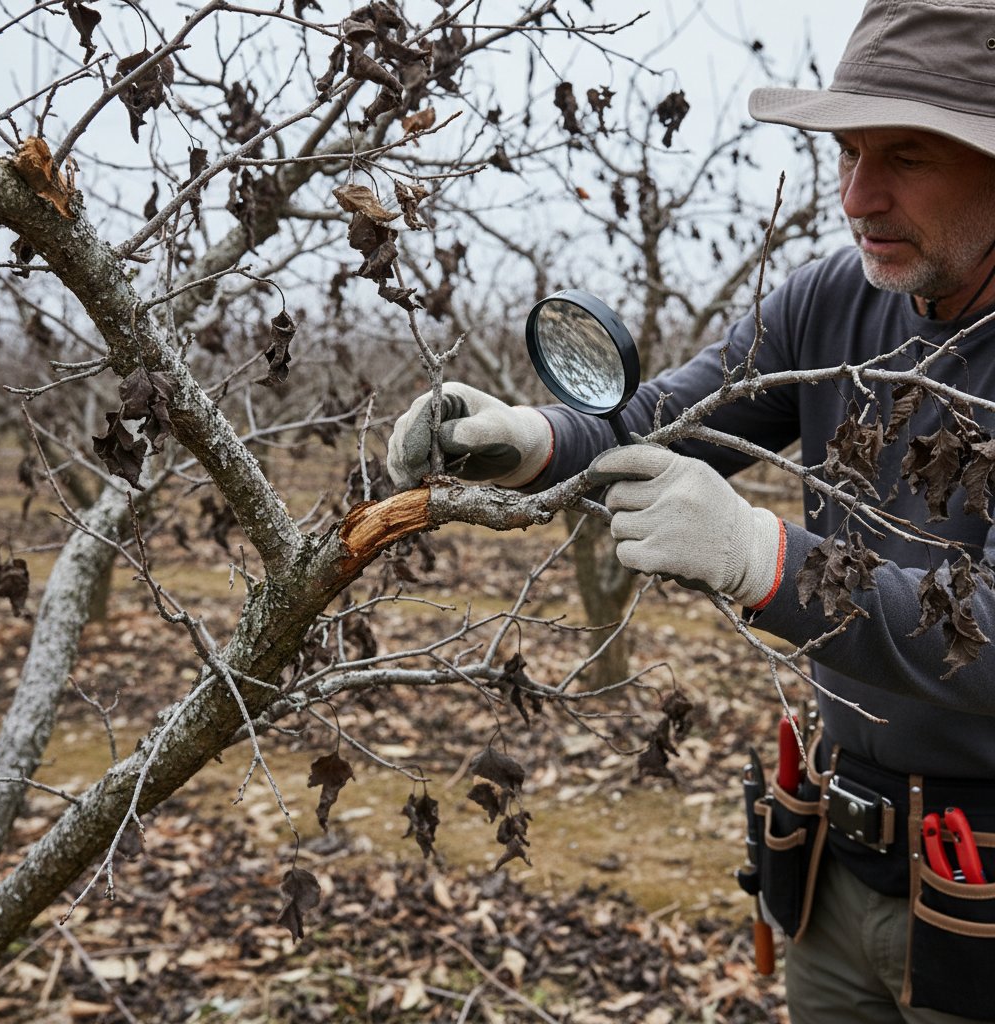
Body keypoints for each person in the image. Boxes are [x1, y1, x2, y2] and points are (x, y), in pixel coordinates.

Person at [387, 1, 995, 1021]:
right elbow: (671, 416)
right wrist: (527, 439)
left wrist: (766, 559)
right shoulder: (830, 300)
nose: (857, 195)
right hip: (833, 873)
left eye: (906, 155)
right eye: (847, 150)